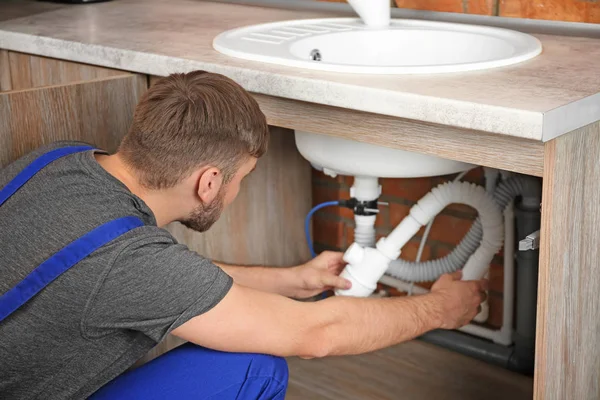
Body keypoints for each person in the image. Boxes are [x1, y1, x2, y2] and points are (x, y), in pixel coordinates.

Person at [0, 71, 486, 400]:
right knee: (255, 368)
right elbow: (317, 334)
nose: (235, 191)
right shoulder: (131, 264)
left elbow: (151, 274)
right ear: (209, 182)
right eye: (241, 179)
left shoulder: (60, 162)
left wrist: (289, 281)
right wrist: (442, 309)